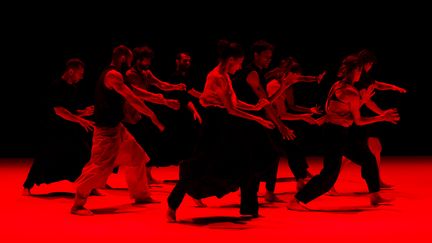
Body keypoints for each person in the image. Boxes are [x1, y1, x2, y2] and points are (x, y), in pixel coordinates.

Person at [167, 40, 274, 222]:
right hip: (213, 125)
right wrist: (259, 119)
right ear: (231, 60)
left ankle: (249, 209)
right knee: (198, 167)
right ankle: (172, 204)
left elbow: (234, 103)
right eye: (239, 63)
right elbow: (231, 109)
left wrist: (255, 108)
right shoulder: (215, 76)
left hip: (223, 123)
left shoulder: (225, 76)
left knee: (245, 163)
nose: (240, 67)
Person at [287, 55, 399, 211]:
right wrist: (382, 117)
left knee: (368, 159)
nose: (361, 74)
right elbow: (358, 121)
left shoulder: (337, 85)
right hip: (335, 134)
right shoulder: (350, 93)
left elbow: (331, 107)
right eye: (360, 70)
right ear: (354, 71)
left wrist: (338, 113)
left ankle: (375, 196)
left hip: (339, 132)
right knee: (329, 176)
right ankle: (297, 200)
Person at [71, 45, 165, 216]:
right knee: (98, 167)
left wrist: (162, 101)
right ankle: (77, 204)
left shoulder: (117, 75)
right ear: (122, 58)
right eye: (129, 61)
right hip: (106, 131)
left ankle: (141, 195)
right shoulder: (113, 75)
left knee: (137, 156)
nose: (130, 64)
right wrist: (153, 116)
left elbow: (135, 91)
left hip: (117, 128)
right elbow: (132, 98)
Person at [23, 58, 94, 195]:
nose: (82, 76)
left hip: (68, 128)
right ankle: (27, 186)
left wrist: (83, 112)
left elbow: (69, 109)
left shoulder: (72, 87)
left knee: (84, 154)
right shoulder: (57, 86)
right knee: (45, 155)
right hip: (54, 128)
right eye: (80, 73)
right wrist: (80, 120)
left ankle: (88, 186)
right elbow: (59, 110)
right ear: (71, 71)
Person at [124, 46, 185, 183]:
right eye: (147, 60)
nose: (149, 63)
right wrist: (164, 101)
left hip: (138, 114)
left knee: (147, 144)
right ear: (139, 60)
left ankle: (147, 175)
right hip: (126, 116)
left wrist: (175, 87)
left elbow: (160, 84)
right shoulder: (130, 74)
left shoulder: (146, 73)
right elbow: (140, 94)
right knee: (122, 148)